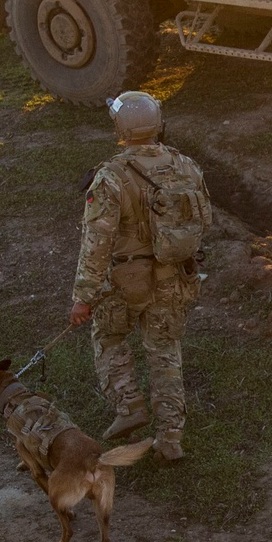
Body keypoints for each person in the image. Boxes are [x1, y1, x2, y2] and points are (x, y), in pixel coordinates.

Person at [70, 91, 209, 463]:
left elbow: (96, 243)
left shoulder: (111, 177)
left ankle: (130, 404)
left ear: (120, 129)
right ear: (157, 123)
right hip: (173, 276)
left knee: (109, 336)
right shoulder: (186, 165)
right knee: (165, 351)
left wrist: (83, 296)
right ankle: (171, 439)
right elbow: (204, 220)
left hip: (124, 280)